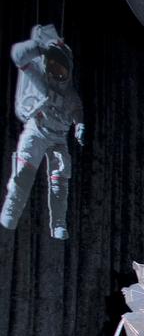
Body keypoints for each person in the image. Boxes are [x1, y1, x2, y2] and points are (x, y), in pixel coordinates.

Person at [2, 24, 85, 239]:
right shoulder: (38, 77)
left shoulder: (70, 94)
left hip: (58, 138)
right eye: (54, 67)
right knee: (23, 175)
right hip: (37, 130)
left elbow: (77, 110)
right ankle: (10, 211)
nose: (57, 72)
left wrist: (79, 124)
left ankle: (58, 223)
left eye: (62, 69)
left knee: (59, 182)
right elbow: (18, 56)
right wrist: (39, 48)